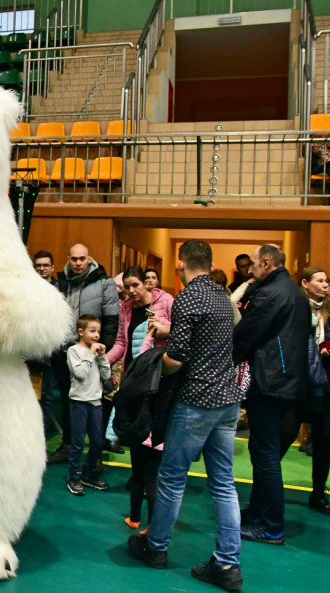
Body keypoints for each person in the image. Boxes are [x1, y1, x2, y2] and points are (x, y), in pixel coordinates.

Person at [126, 239, 244, 592]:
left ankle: (156, 547)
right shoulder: (223, 297)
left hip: (196, 402)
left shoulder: (189, 298)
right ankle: (228, 564)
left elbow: (176, 360)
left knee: (172, 477)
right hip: (228, 402)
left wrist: (149, 367)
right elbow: (212, 340)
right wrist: (171, 331)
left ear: (180, 264)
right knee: (223, 484)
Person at [234, 244, 310, 546]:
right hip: (289, 383)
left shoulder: (270, 294)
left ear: (266, 263)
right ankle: (256, 513)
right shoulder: (293, 293)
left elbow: (245, 337)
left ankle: (271, 526)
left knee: (265, 456)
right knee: (265, 453)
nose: (250, 269)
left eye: (253, 264)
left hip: (270, 384)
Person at [279, 267, 330, 515]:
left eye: (327, 281)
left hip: (326, 382)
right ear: (305, 284)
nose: (325, 285)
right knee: (284, 435)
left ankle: (318, 494)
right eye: (320, 280)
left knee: (323, 441)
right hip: (296, 383)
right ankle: (266, 488)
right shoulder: (294, 307)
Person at [107, 266, 173, 528]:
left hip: (158, 386)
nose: (131, 291)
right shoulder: (126, 308)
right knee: (136, 451)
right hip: (134, 384)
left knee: (153, 459)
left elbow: (177, 334)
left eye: (135, 285)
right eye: (127, 287)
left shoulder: (166, 301)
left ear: (147, 283)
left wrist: (163, 328)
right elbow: (122, 344)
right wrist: (104, 359)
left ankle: (154, 523)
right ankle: (135, 517)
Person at [47, 243, 120, 465]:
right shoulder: (60, 283)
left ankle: (94, 455)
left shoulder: (104, 283)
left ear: (90, 259)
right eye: (74, 259)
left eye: (82, 259)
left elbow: (111, 321)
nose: (78, 263)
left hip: (90, 352)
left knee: (92, 405)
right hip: (64, 351)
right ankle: (68, 446)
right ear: (68, 260)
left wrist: (99, 351)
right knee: (71, 403)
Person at [66, 314, 112, 495]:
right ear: (81, 332)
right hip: (79, 403)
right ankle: (73, 477)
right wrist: (91, 354)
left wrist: (101, 357)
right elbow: (80, 373)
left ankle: (88, 473)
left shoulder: (96, 352)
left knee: (97, 441)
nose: (96, 335)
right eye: (92, 331)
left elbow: (107, 376)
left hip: (96, 402)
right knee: (77, 442)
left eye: (98, 331)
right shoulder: (73, 351)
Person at [25, 251, 61, 436]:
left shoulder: (59, 290)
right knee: (30, 396)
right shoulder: (27, 290)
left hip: (54, 351)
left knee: (46, 397)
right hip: (31, 352)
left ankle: (43, 438)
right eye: (38, 265)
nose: (42, 268)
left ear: (52, 268)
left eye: (45, 265)